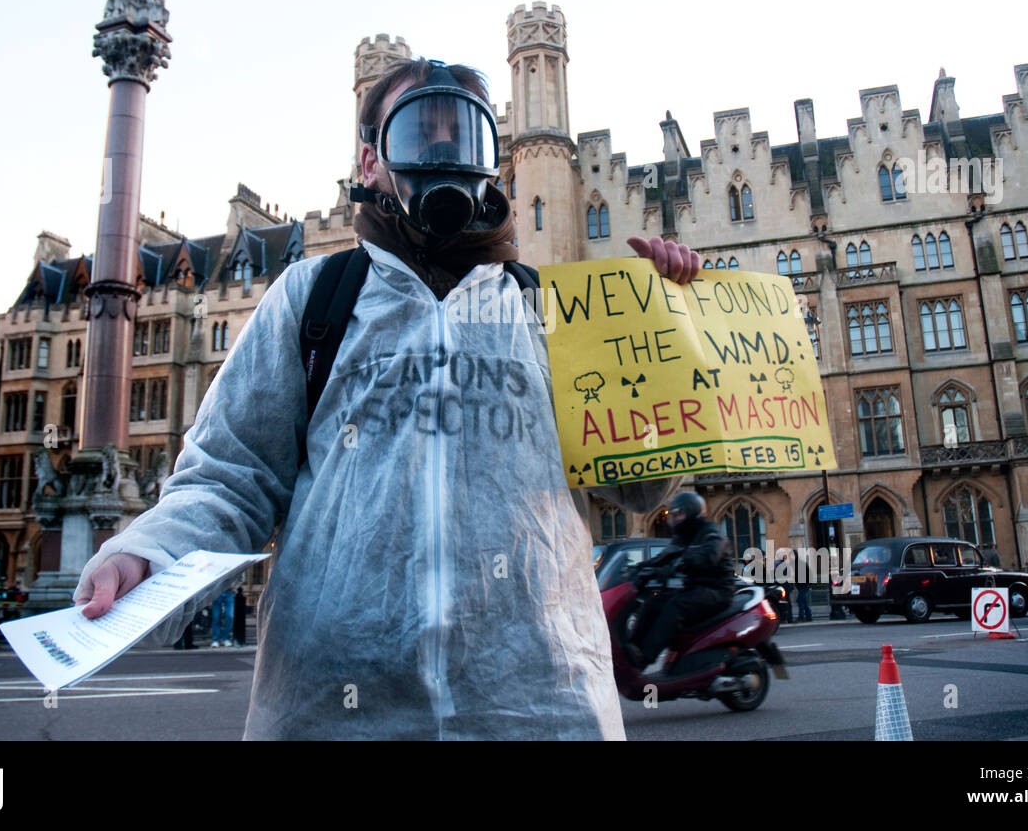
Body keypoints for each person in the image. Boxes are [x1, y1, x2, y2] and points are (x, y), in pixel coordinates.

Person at [73, 57, 701, 740]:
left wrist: (663, 337)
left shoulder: (549, 309)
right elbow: (230, 477)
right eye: (420, 133)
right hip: (332, 720)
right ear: (369, 161)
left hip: (540, 715)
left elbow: (639, 489)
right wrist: (148, 552)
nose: (444, 153)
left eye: (463, 136)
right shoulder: (312, 299)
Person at [625, 492, 736, 670]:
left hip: (717, 590)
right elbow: (664, 556)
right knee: (653, 602)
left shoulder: (712, 533)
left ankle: (645, 657)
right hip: (693, 589)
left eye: (679, 514)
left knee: (674, 607)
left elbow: (709, 556)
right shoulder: (682, 537)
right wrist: (639, 568)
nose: (676, 519)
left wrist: (681, 562)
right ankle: (631, 649)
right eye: (674, 515)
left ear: (692, 512)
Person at [793, 547, 813, 622]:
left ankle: (801, 616)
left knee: (800, 600)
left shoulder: (800, 563)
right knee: (803, 601)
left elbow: (808, 573)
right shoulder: (794, 564)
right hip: (800, 585)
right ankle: (808, 616)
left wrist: (808, 583)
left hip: (804, 585)